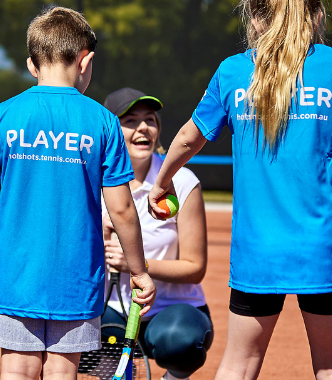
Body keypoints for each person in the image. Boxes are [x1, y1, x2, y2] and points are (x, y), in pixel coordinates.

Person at [147, 1, 332, 379]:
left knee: (238, 365)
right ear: (316, 15)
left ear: (255, 18)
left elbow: (189, 138)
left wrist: (161, 182)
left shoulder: (233, 71)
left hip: (258, 250)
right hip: (321, 247)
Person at [0, 7, 156, 380]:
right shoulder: (101, 121)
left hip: (14, 276)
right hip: (77, 280)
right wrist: (140, 271)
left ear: (32, 64)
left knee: (17, 371)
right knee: (61, 375)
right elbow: (122, 210)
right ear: (86, 60)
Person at [101, 88, 212, 380]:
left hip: (171, 313)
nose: (143, 128)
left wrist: (137, 264)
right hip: (110, 310)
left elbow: (195, 268)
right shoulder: (90, 185)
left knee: (182, 341)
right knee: (69, 331)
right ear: (111, 130)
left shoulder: (182, 182)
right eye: (130, 120)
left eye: (149, 120)